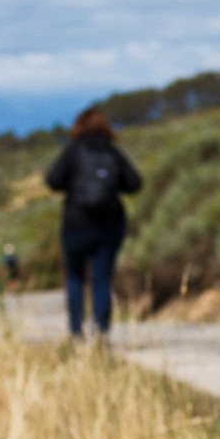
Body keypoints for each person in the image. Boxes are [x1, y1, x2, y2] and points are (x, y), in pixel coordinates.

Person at [43, 105, 144, 340]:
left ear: (78, 127)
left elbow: (53, 180)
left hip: (76, 224)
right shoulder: (113, 153)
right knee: (102, 278)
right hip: (109, 225)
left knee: (75, 277)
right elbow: (135, 183)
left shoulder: (73, 152)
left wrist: (74, 185)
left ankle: (76, 332)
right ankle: (102, 332)